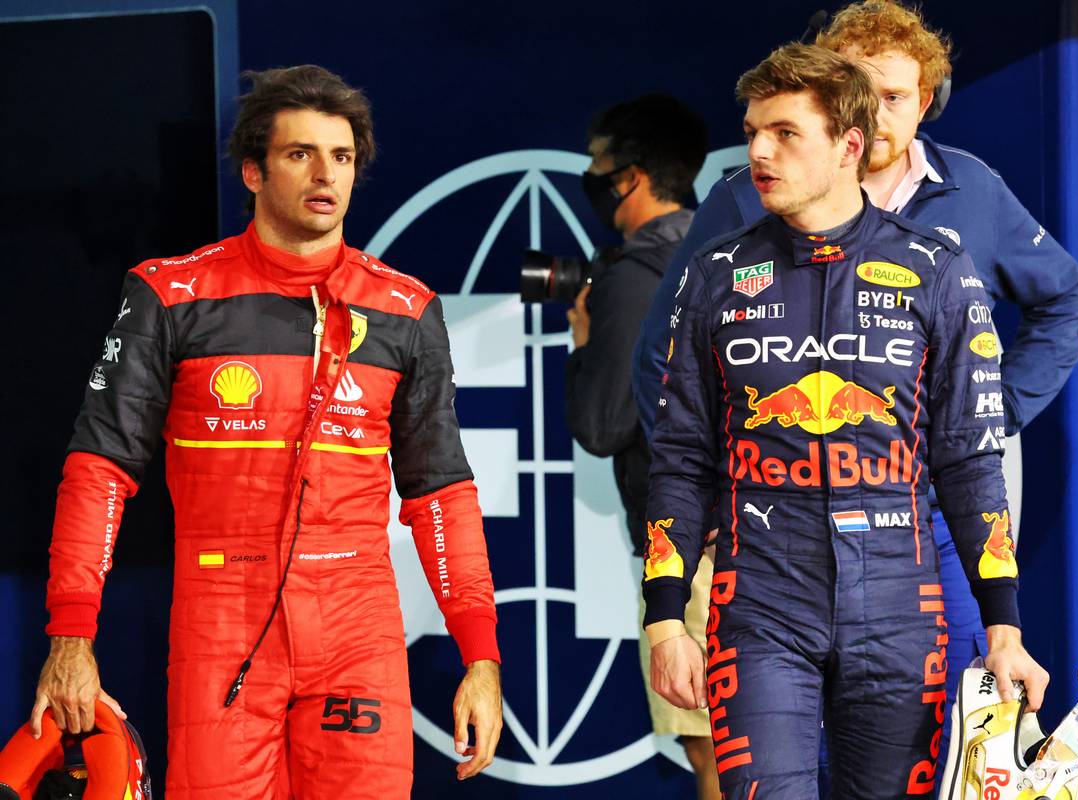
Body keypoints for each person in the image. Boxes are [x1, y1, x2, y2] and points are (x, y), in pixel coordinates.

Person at [632, 0, 1078, 780]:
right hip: (762, 566)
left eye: (896, 96)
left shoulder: (950, 232)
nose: (760, 152)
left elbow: (975, 446)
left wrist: (990, 409)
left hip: (915, 552)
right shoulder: (732, 235)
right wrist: (675, 588)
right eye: (753, 134)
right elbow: (673, 414)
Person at [30, 65, 502, 799]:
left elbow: (440, 490)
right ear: (252, 171)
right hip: (221, 618)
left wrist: (482, 655)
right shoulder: (169, 295)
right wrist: (71, 637)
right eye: (299, 154)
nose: (326, 175)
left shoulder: (406, 309)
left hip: (358, 623)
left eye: (342, 157)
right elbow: (100, 469)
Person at [563, 94, 719, 799]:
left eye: (599, 165)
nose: (592, 178)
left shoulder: (631, 278)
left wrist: (585, 344)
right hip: (761, 534)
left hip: (691, 552)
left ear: (632, 177)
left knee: (714, 748)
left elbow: (600, 425)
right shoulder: (727, 250)